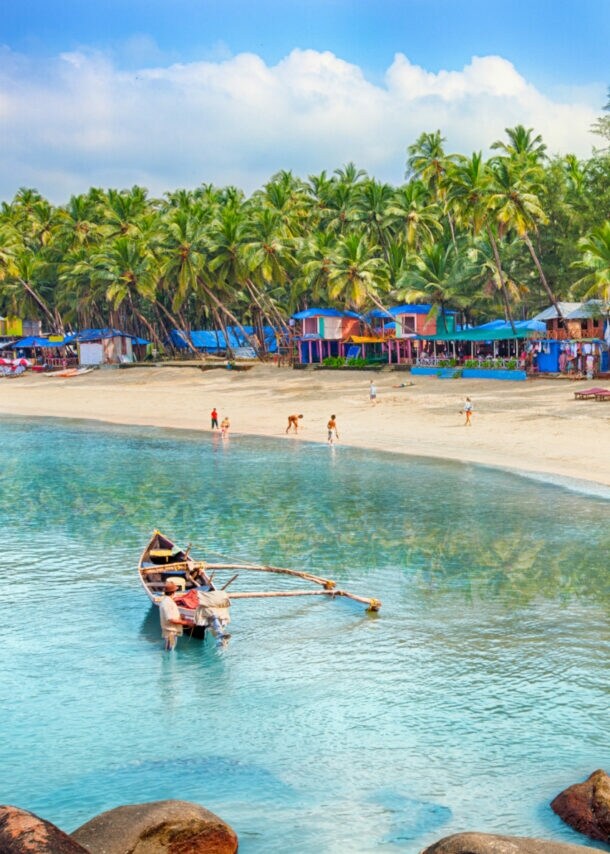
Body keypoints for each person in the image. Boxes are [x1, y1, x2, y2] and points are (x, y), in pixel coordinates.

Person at [159, 581, 192, 651]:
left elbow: (171, 616)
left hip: (171, 632)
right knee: (169, 651)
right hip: (170, 633)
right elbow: (171, 619)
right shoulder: (167, 603)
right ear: (174, 592)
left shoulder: (167, 601)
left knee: (169, 650)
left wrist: (180, 616)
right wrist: (187, 623)